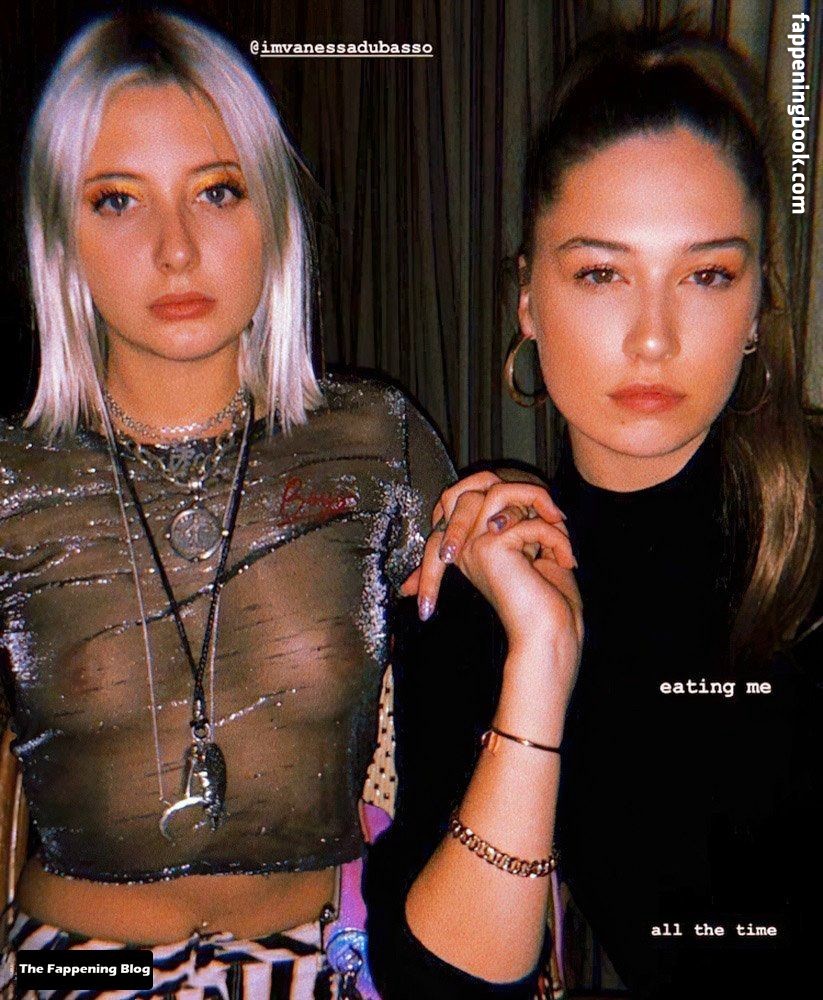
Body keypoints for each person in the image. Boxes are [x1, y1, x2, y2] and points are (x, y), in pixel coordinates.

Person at [0, 9, 568, 998]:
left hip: (322, 963)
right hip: (77, 967)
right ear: (60, 234)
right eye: (117, 200)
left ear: (272, 214)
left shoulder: (374, 441)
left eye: (217, 191)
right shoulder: (12, 478)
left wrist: (515, 557)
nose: (177, 249)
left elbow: (472, 726)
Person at [365, 24, 822, 1000]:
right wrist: (539, 660)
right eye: (600, 273)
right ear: (527, 299)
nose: (653, 337)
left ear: (755, 309)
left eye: (706, 275)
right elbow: (440, 986)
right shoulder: (488, 588)